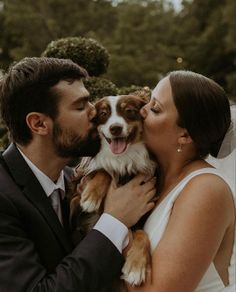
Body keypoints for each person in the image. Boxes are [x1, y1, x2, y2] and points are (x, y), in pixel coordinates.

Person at [0, 57, 156, 292]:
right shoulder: (3, 195)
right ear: (39, 124)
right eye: (81, 106)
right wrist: (114, 220)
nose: (95, 113)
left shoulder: (78, 179)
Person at [127, 70, 236, 292]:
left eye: (155, 108)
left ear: (185, 136)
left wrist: (114, 221)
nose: (142, 111)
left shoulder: (206, 190)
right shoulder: (150, 180)